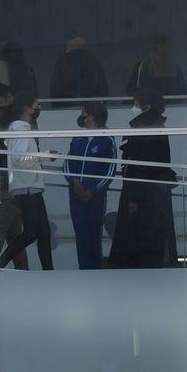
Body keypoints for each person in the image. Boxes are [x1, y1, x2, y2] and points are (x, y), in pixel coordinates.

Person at [109, 89, 178, 268]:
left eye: (136, 104)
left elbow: (141, 166)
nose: (134, 108)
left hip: (142, 196)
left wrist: (134, 198)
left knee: (137, 240)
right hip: (156, 193)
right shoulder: (158, 126)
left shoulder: (143, 128)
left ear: (145, 105)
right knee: (156, 241)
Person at [0, 92, 53, 270]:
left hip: (30, 186)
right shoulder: (21, 129)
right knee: (31, 233)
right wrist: (43, 156)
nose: (38, 109)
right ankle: (0, 261)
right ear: (26, 108)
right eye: (36, 105)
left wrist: (42, 158)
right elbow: (19, 159)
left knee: (44, 232)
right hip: (27, 187)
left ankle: (49, 271)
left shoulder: (20, 129)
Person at [63, 103, 116, 270]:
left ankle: (95, 272)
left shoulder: (107, 139)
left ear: (92, 116)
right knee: (81, 236)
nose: (82, 117)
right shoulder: (78, 138)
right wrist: (74, 181)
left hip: (96, 197)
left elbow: (110, 169)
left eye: (84, 114)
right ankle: (83, 272)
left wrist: (92, 190)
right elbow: (68, 162)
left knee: (94, 237)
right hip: (76, 194)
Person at [0, 85, 28, 270]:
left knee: (0, 227)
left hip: (9, 183)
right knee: (15, 235)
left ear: (9, 98)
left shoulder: (15, 123)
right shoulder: (5, 121)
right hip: (8, 182)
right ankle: (22, 271)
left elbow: (15, 153)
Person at [49, 35, 109, 103]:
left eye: (66, 48)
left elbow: (55, 90)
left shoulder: (61, 64)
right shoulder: (95, 62)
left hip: (66, 108)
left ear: (69, 48)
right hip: (92, 108)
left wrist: (57, 108)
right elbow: (103, 88)